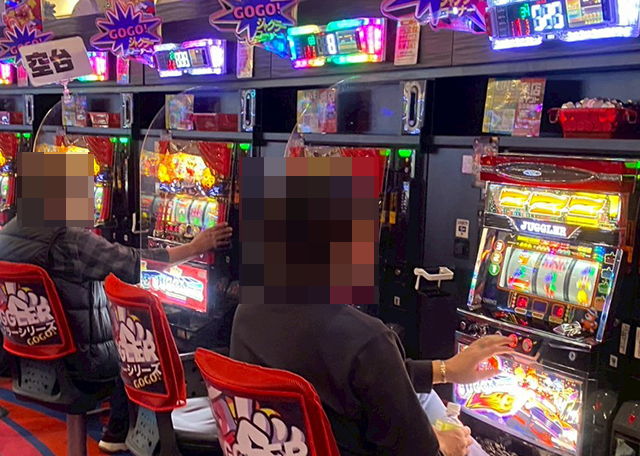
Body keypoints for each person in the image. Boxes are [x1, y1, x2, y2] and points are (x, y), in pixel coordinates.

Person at [231, 156, 512, 456]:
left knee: (425, 399)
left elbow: (370, 380)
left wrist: (446, 370)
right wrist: (446, 444)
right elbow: (419, 450)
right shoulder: (367, 339)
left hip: (275, 442)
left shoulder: (248, 311)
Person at [0, 218, 233, 453]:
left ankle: (117, 431)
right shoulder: (70, 241)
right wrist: (195, 247)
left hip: (27, 356)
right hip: (80, 364)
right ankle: (121, 428)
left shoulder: (7, 233)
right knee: (138, 340)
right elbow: (137, 265)